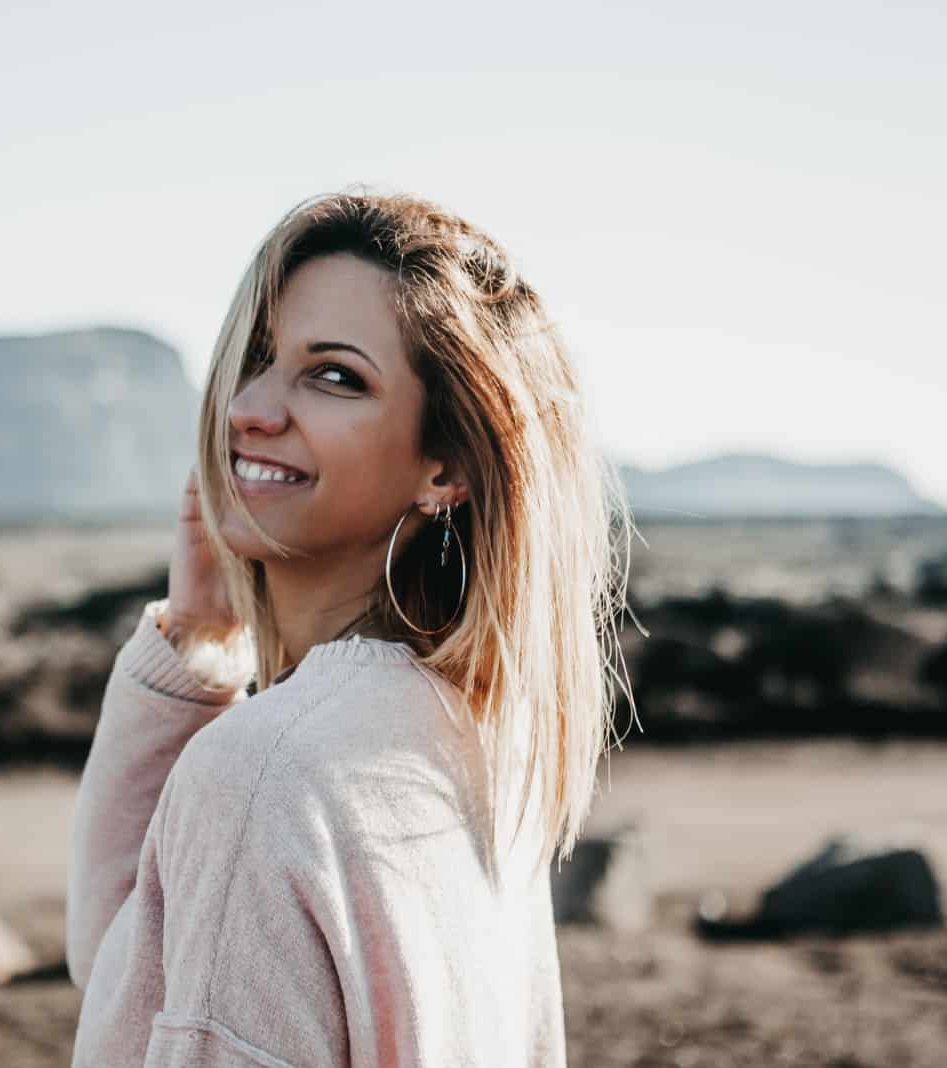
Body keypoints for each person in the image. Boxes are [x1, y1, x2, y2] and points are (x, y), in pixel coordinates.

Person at [66, 188, 635, 1066]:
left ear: (444, 467)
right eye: (257, 356)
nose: (250, 407)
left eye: (335, 375)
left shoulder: (268, 772)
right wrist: (197, 637)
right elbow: (132, 976)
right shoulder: (471, 742)